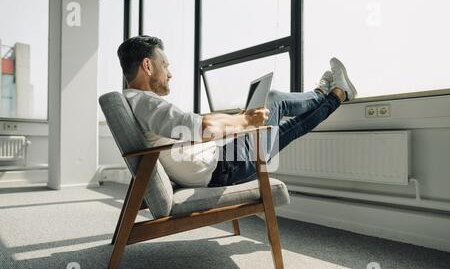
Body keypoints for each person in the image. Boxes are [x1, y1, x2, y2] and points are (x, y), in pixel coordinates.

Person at [117, 36, 357, 188]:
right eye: (165, 65)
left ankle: (329, 93)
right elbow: (204, 127)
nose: (170, 73)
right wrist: (244, 120)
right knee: (274, 101)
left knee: (279, 125)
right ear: (147, 65)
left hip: (221, 159)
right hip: (224, 167)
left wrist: (240, 121)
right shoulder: (145, 103)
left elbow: (197, 124)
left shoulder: (135, 101)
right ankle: (330, 94)